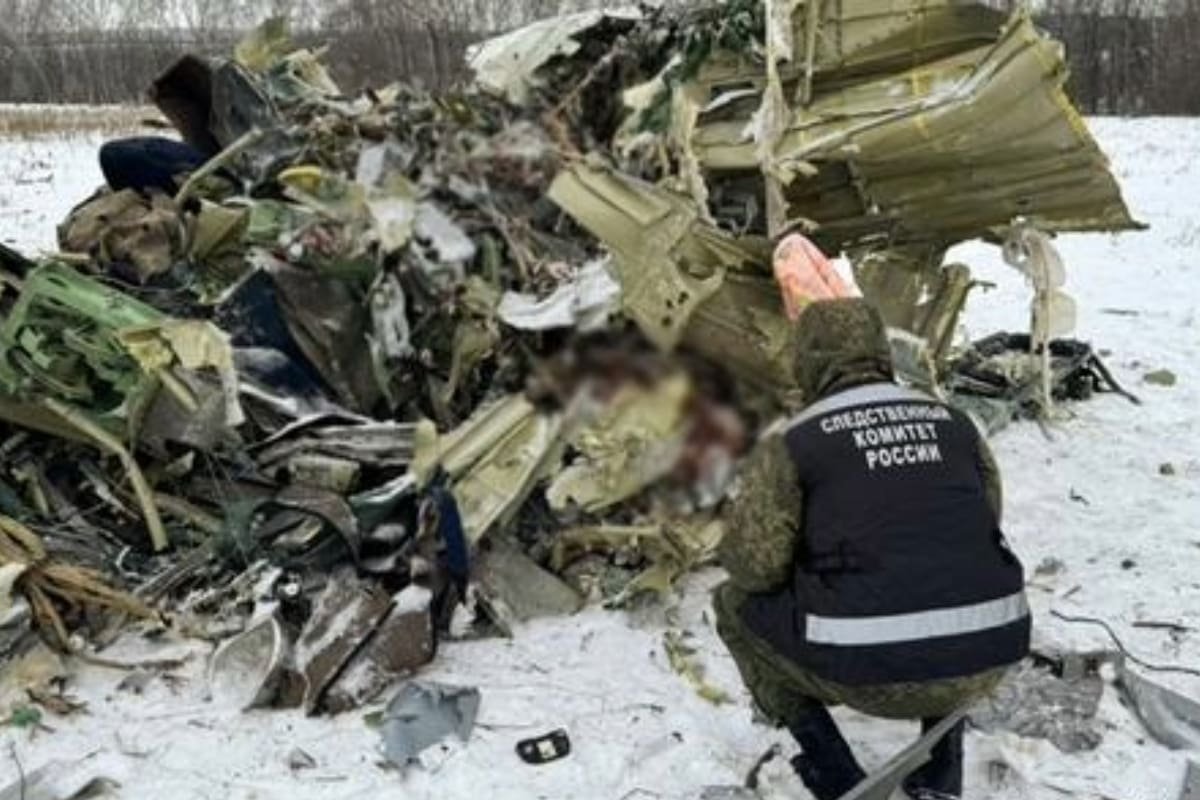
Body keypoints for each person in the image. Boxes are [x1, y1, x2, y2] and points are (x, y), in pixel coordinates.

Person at [715, 298, 1030, 800]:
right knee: (944, 579)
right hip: (992, 652)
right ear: (881, 352)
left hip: (868, 676)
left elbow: (756, 570)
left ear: (807, 359)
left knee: (732, 606)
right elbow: (982, 521)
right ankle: (942, 772)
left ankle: (835, 775)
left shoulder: (797, 442)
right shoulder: (955, 423)